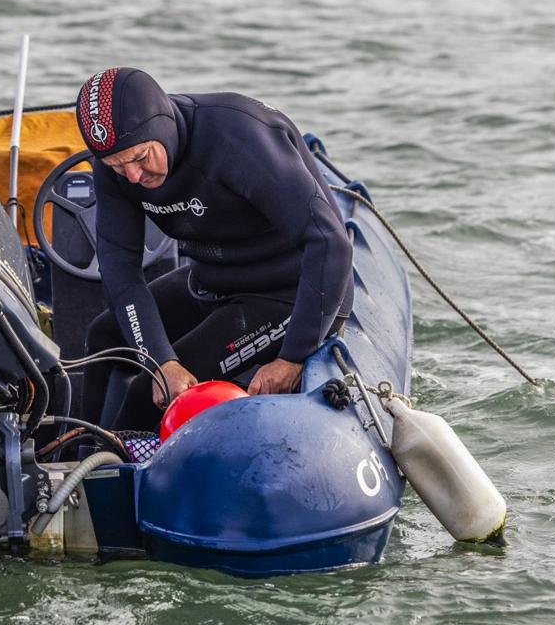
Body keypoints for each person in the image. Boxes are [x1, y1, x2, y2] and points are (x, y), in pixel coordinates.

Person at [76, 67, 355, 431]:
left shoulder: (238, 136)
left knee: (148, 398)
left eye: (142, 157)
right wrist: (162, 360)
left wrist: (292, 358)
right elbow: (119, 269)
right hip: (213, 281)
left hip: (293, 292)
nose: (133, 176)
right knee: (105, 338)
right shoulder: (118, 166)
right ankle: (75, 456)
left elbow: (330, 243)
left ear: (161, 128)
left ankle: (116, 476)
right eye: (117, 165)